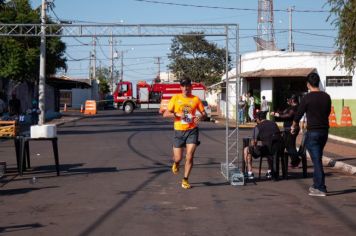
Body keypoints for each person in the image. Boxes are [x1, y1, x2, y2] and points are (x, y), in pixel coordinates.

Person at [291, 73, 331, 197]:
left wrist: (294, 126)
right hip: (324, 132)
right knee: (317, 157)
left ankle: (321, 187)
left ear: (308, 84)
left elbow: (298, 114)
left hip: (313, 132)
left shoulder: (307, 98)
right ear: (318, 83)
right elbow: (328, 112)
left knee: (316, 160)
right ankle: (316, 185)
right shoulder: (326, 97)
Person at [163, 77, 207, 189]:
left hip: (192, 130)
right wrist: (178, 114)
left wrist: (200, 117)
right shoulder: (175, 98)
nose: (185, 88)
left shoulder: (196, 99)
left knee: (190, 156)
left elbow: (204, 113)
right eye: (183, 86)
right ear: (180, 87)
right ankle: (176, 163)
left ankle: (185, 179)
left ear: (190, 87)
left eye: (187, 85)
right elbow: (165, 114)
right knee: (178, 158)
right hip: (179, 131)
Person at [243, 110, 282, 180]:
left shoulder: (257, 127)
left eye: (256, 119)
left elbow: (253, 142)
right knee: (268, 148)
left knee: (246, 150)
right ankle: (270, 171)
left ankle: (250, 173)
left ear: (258, 119)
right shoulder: (274, 123)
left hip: (267, 150)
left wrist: (255, 146)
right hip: (278, 149)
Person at [270, 95, 300, 167]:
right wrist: (278, 113)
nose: (287, 101)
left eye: (289, 99)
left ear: (292, 100)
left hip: (292, 128)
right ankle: (294, 161)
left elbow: (288, 115)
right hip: (288, 129)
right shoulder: (291, 107)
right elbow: (284, 113)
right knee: (290, 145)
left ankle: (296, 160)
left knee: (290, 145)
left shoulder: (295, 108)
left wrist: (277, 115)